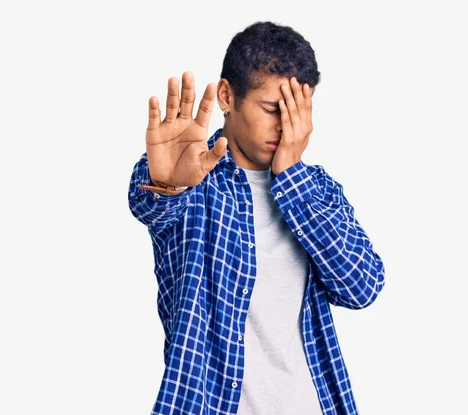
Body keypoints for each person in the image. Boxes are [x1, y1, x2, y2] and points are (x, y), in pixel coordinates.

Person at [128, 21, 385, 415]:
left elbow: (362, 288)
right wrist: (166, 182)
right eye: (271, 109)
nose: (284, 126)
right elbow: (148, 204)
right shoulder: (191, 177)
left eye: (295, 111)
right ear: (228, 96)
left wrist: (292, 178)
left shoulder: (316, 189)